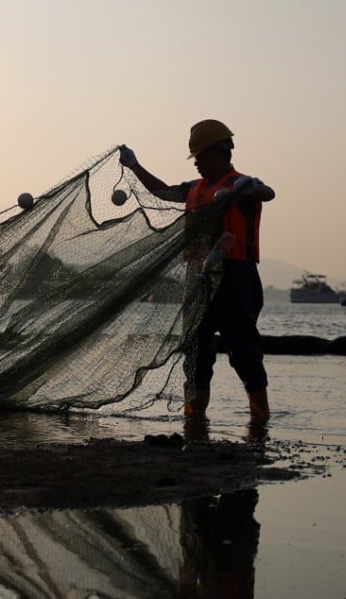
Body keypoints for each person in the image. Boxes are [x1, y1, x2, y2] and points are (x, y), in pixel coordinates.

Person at [119, 120, 275, 424]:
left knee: (243, 349)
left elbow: (268, 193)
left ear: (219, 152)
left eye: (200, 157)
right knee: (195, 350)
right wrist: (135, 165)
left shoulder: (242, 186)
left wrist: (249, 187)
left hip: (235, 278)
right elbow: (162, 191)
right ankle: (195, 419)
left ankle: (259, 419)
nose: (197, 164)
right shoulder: (195, 189)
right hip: (198, 277)